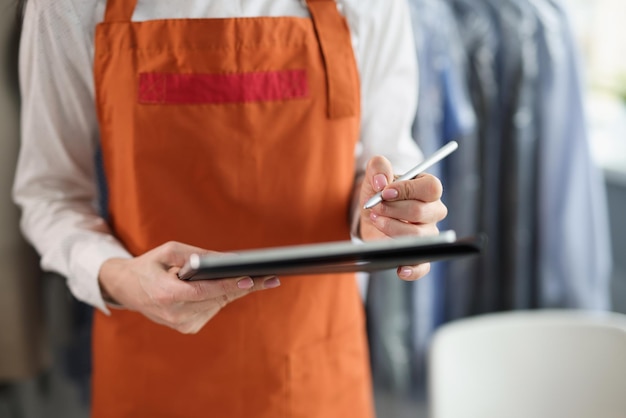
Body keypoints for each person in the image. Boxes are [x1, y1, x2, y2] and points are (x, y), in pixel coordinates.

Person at [14, 0, 447, 417]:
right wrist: (115, 275)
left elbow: (379, 162)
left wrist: (386, 218)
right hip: (151, 367)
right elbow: (50, 194)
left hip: (312, 368)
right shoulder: (66, 6)